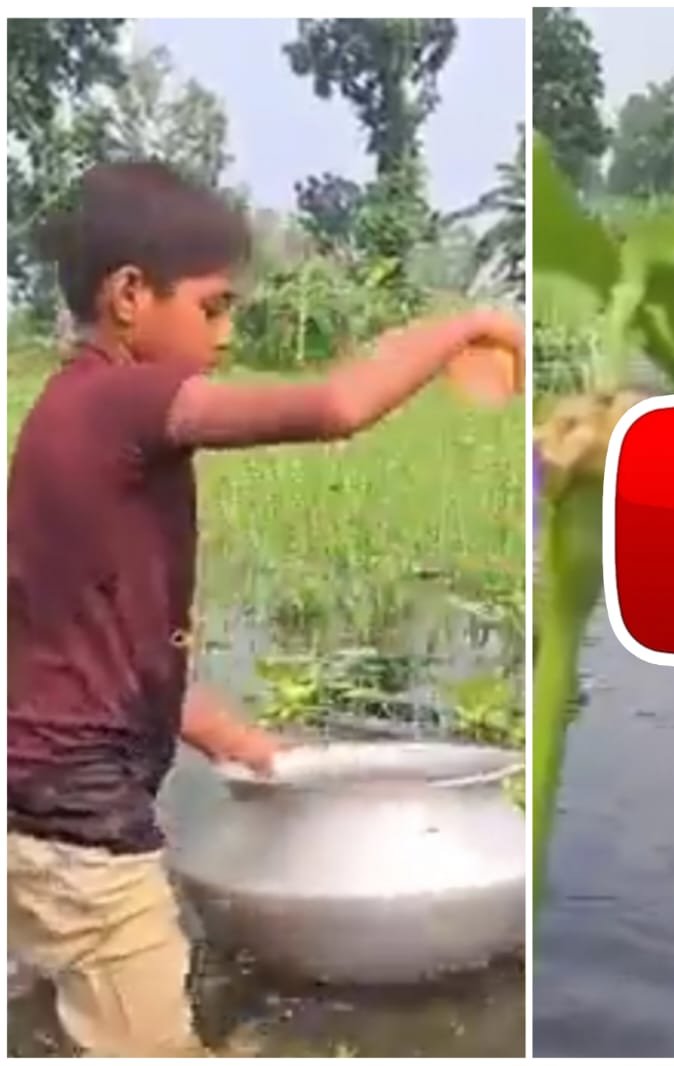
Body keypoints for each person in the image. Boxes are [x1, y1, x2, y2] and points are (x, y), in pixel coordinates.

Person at [7, 160, 524, 1057]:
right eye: (213, 307)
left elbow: (91, 644)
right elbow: (332, 407)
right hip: (83, 833)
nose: (228, 331)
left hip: (46, 810)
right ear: (130, 295)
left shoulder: (70, 412)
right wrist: (466, 326)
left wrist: (231, 738)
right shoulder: (121, 401)